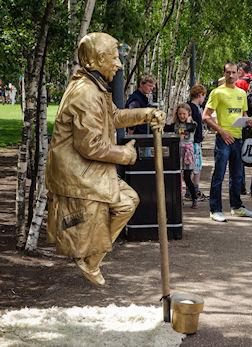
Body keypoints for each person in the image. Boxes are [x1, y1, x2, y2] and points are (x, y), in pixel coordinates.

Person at [45, 32, 165, 286]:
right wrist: (126, 155)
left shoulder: (95, 87)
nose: (119, 64)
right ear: (100, 59)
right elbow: (91, 145)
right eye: (115, 58)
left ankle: (91, 257)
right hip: (78, 173)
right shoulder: (86, 93)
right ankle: (88, 256)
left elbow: (115, 117)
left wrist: (147, 114)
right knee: (116, 206)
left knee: (127, 201)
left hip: (88, 169)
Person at [203, 62, 252, 222]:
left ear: (238, 74)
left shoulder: (241, 93)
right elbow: (205, 116)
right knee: (219, 174)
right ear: (224, 73)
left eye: (234, 72)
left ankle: (237, 207)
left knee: (237, 176)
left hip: (238, 138)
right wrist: (221, 131)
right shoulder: (217, 92)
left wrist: (248, 121)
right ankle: (215, 209)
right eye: (228, 72)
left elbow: (243, 113)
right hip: (223, 138)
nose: (231, 75)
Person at [173, 103, 198, 208]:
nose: (182, 116)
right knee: (177, 176)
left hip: (188, 151)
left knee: (187, 177)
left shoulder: (193, 124)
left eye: (184, 114)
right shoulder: (176, 125)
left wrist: (188, 122)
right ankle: (179, 198)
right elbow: (180, 136)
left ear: (189, 114)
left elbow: (190, 129)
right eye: (180, 114)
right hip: (179, 150)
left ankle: (194, 197)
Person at [186, 84, 207, 201]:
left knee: (193, 166)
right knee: (196, 166)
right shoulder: (193, 108)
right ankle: (193, 190)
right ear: (200, 95)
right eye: (204, 96)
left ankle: (193, 190)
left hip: (194, 140)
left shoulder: (192, 107)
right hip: (193, 141)